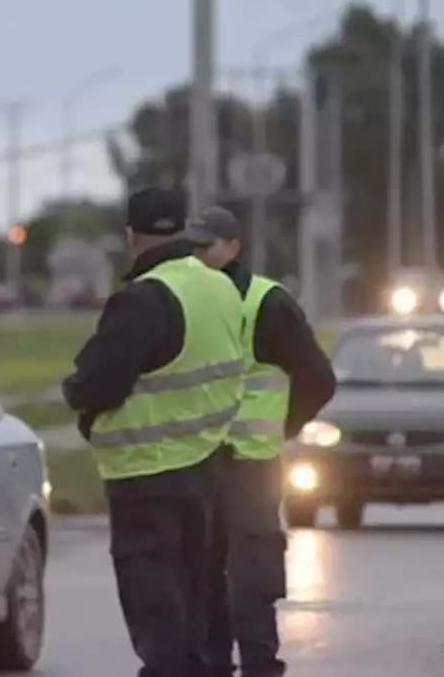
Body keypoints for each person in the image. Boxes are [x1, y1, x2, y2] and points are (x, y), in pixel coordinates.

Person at [61, 186, 247, 677]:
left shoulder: (145, 298)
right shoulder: (221, 286)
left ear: (130, 235)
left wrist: (82, 408)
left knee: (157, 602)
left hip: (148, 475)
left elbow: (93, 382)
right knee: (201, 593)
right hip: (210, 465)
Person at [185, 205, 337, 677]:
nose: (199, 254)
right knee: (202, 571)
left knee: (250, 575)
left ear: (233, 247)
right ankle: (213, 663)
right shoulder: (180, 297)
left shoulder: (267, 303)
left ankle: (258, 664)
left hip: (250, 463)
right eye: (192, 245)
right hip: (197, 462)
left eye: (207, 245)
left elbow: (318, 377)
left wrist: (281, 426)